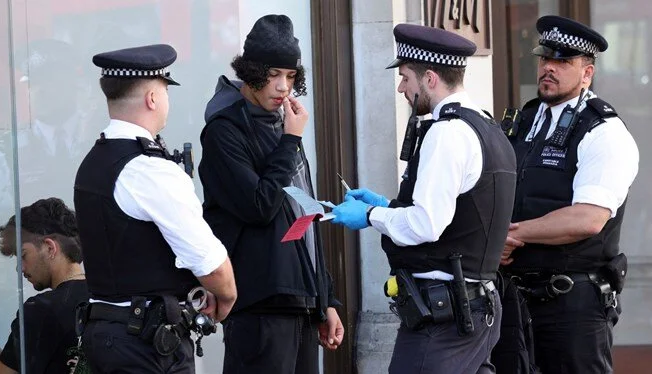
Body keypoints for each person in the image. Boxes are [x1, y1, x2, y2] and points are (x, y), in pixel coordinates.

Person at [332, 24, 517, 373]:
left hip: (445, 320)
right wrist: (388, 207)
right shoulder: (486, 127)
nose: (402, 88)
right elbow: (460, 215)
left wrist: (371, 214)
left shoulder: (446, 134)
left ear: (430, 78)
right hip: (474, 311)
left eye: (405, 78)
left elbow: (426, 224)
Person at [73, 44, 237, 373]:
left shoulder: (93, 162)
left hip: (105, 334)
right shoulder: (150, 169)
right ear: (152, 98)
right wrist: (227, 295)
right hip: (146, 346)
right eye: (164, 89)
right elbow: (210, 263)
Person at [198, 14, 344, 374]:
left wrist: (325, 299)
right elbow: (259, 206)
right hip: (260, 304)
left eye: (291, 77)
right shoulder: (224, 131)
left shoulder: (282, 124)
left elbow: (304, 216)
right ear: (251, 71)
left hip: (300, 303)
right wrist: (291, 140)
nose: (283, 87)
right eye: (274, 74)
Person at [498, 15, 639, 374]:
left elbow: (587, 219)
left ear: (587, 73)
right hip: (512, 302)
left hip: (571, 306)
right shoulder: (523, 121)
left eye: (563, 61)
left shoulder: (604, 132)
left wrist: (510, 236)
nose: (549, 68)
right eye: (546, 59)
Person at [0, 197, 88, 374]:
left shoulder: (40, 311)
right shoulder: (107, 299)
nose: (20, 268)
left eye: (23, 255)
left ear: (50, 247)